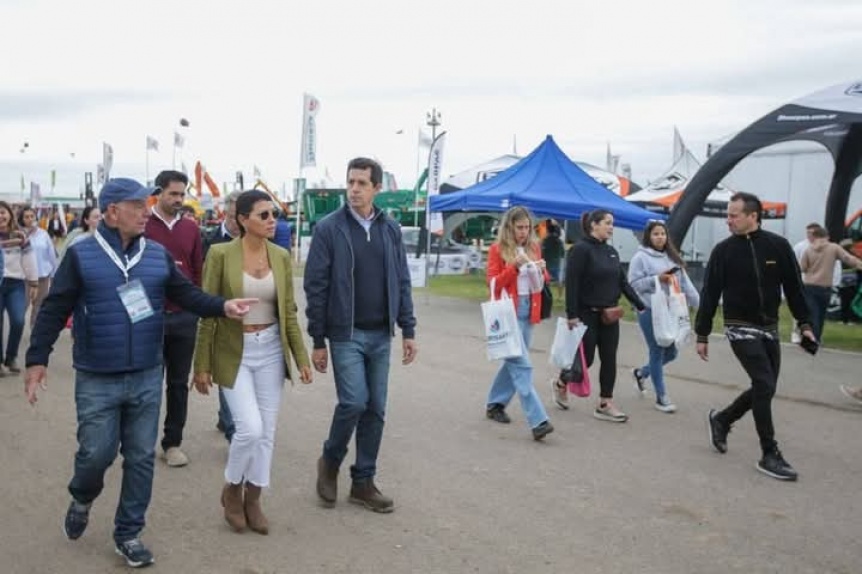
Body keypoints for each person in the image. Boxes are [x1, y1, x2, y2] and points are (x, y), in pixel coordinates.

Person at [24, 177, 256, 567]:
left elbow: (186, 294)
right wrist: (36, 359)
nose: (146, 212)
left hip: (148, 373)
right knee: (96, 455)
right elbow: (53, 308)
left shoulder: (156, 255)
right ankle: (82, 496)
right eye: (138, 205)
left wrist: (222, 306)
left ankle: (128, 533)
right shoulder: (82, 255)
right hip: (98, 375)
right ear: (113, 212)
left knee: (141, 458)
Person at [193, 190, 312, 534]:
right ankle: (232, 488)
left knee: (267, 433)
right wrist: (201, 365)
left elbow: (287, 310)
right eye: (263, 215)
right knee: (249, 428)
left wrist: (300, 357)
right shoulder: (219, 254)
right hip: (235, 351)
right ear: (242, 220)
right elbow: (208, 312)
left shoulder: (281, 255)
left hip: (272, 348)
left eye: (273, 213)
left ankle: (254, 497)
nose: (272, 220)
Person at [304, 157, 417, 514]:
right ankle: (330, 460)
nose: (354, 189)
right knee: (354, 401)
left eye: (362, 183)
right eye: (350, 182)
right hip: (345, 334)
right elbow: (316, 286)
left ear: (377, 189)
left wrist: (408, 329)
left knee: (376, 410)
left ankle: (363, 482)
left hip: (381, 334)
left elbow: (401, 279)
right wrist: (317, 339)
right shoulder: (328, 228)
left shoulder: (390, 228)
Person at [698, 192, 814, 482]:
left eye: (734, 215)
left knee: (766, 387)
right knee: (763, 383)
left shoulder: (778, 246)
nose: (729, 219)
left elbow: (795, 289)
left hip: (769, 327)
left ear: (753, 216)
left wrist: (805, 323)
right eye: (728, 214)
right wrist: (702, 332)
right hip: (739, 326)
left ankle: (722, 419)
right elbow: (709, 293)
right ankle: (769, 453)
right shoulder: (723, 251)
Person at [554, 210, 645, 421]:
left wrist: (640, 304)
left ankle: (605, 402)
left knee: (609, 358)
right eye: (607, 223)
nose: (611, 227)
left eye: (612, 223)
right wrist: (572, 314)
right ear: (594, 225)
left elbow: (622, 282)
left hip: (610, 315)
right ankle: (561, 383)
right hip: (586, 315)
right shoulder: (580, 250)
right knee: (587, 360)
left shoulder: (611, 252)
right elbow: (572, 283)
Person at [144, 170, 203, 468]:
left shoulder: (191, 228)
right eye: (173, 194)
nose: (179, 199)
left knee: (178, 384)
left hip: (183, 319)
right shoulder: (143, 224)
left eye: (182, 194)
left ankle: (172, 443)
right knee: (148, 383)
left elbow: (197, 272)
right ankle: (142, 442)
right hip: (148, 319)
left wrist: (197, 310)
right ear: (159, 192)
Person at [485, 206, 554, 440]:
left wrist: (543, 271)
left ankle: (495, 403)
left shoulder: (534, 247)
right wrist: (514, 266)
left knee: (514, 361)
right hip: (507, 313)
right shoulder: (497, 250)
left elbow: (540, 281)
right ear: (510, 227)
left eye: (527, 227)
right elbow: (493, 284)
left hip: (528, 311)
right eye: (519, 227)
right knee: (522, 365)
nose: (524, 232)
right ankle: (538, 420)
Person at [627, 220, 700, 413]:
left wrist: (699, 304)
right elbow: (633, 284)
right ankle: (662, 397)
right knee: (657, 350)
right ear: (648, 237)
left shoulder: (672, 257)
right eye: (656, 234)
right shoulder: (640, 258)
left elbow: (686, 284)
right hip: (648, 309)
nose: (660, 237)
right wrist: (657, 279)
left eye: (663, 234)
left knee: (672, 352)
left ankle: (641, 373)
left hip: (670, 311)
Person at [202, 190, 243, 442]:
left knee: (241, 370)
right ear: (226, 213)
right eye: (234, 215)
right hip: (217, 311)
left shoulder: (256, 241)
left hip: (246, 316)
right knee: (226, 368)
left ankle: (225, 415)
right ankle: (232, 429)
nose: (238, 222)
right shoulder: (209, 240)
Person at [800, 226, 862, 342]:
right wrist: (860, 264)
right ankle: (816, 338)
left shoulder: (808, 250)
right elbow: (848, 259)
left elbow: (803, 268)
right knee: (821, 315)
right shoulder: (833, 248)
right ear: (826, 236)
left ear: (815, 237)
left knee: (812, 313)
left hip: (809, 286)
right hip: (825, 287)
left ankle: (812, 339)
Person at [0, 200, 38, 376]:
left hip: (15, 284)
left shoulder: (20, 236)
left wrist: (34, 282)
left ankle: (11, 357)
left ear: (9, 214)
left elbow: (29, 260)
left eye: (3, 212)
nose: (1, 216)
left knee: (18, 320)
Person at [19, 206, 58, 329]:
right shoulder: (19, 235)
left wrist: (54, 275)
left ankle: (34, 331)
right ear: (22, 219)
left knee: (39, 306)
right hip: (25, 278)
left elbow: (51, 254)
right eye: (26, 217)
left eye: (32, 216)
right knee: (22, 306)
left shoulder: (43, 234)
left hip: (42, 276)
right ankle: (17, 329)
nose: (30, 219)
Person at [541, 219, 565, 296]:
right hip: (556, 265)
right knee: (558, 281)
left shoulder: (544, 240)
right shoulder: (559, 241)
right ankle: (559, 296)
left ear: (547, 230)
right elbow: (562, 254)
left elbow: (542, 253)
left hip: (546, 265)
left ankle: (547, 294)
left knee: (545, 282)